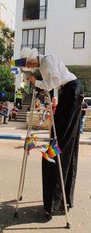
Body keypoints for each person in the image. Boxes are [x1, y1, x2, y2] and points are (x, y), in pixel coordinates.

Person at [21, 47, 84, 218]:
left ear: (33, 59)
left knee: (61, 141)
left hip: (72, 90)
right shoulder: (44, 64)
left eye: (29, 64)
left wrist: (36, 83)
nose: (31, 66)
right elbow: (54, 84)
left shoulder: (47, 61)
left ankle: (57, 201)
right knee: (62, 139)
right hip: (70, 91)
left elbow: (54, 82)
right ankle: (62, 199)